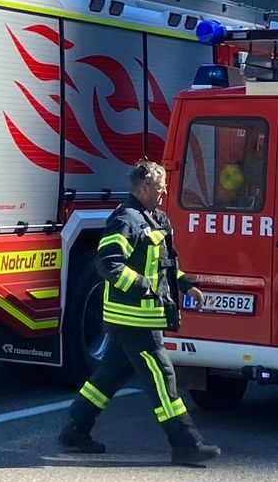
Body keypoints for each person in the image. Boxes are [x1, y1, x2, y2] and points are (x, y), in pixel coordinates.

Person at [59, 160, 222, 465]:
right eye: (160, 187)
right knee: (162, 378)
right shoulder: (126, 220)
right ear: (144, 187)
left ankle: (76, 428)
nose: (164, 192)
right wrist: (143, 287)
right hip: (134, 319)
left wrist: (185, 285)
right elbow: (108, 263)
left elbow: (164, 266)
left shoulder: (155, 218)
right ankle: (186, 443)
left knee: (109, 376)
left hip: (138, 318)